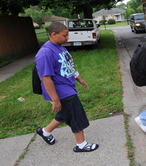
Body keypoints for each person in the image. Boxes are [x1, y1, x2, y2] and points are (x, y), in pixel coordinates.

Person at [35, 22, 99, 152]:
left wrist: (79, 78)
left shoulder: (60, 47)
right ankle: (81, 144)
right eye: (65, 35)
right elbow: (45, 79)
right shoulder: (45, 53)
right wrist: (55, 100)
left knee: (65, 113)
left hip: (67, 86)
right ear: (54, 34)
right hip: (61, 91)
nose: (67, 38)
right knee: (75, 114)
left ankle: (45, 132)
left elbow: (68, 66)